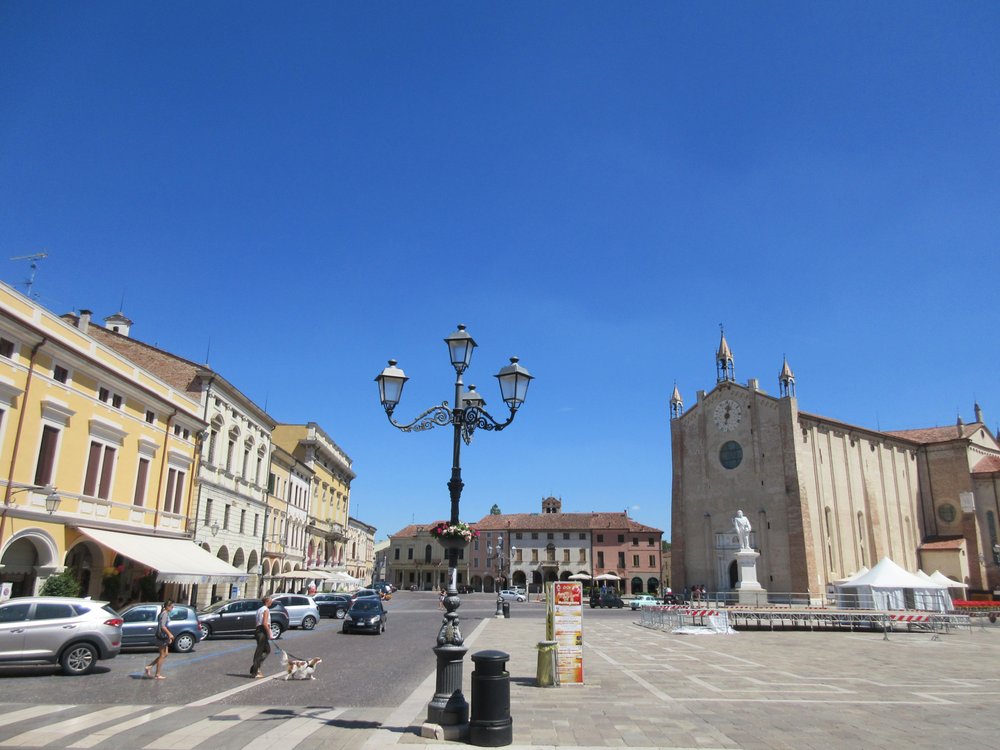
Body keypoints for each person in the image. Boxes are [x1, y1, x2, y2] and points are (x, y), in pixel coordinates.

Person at [144, 600, 174, 680]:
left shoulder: (163, 613)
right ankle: (157, 674)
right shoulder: (164, 614)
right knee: (162, 655)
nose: (172, 608)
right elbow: (163, 626)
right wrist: (170, 634)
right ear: (168, 607)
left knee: (165, 654)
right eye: (172, 607)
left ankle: (149, 666)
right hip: (162, 637)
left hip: (164, 637)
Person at [250, 595, 273, 679]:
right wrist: (269, 632)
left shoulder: (259, 609)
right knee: (261, 651)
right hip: (262, 631)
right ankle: (255, 670)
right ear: (267, 601)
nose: (272, 602)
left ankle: (255, 667)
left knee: (265, 650)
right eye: (271, 600)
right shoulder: (266, 610)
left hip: (258, 630)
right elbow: (264, 623)